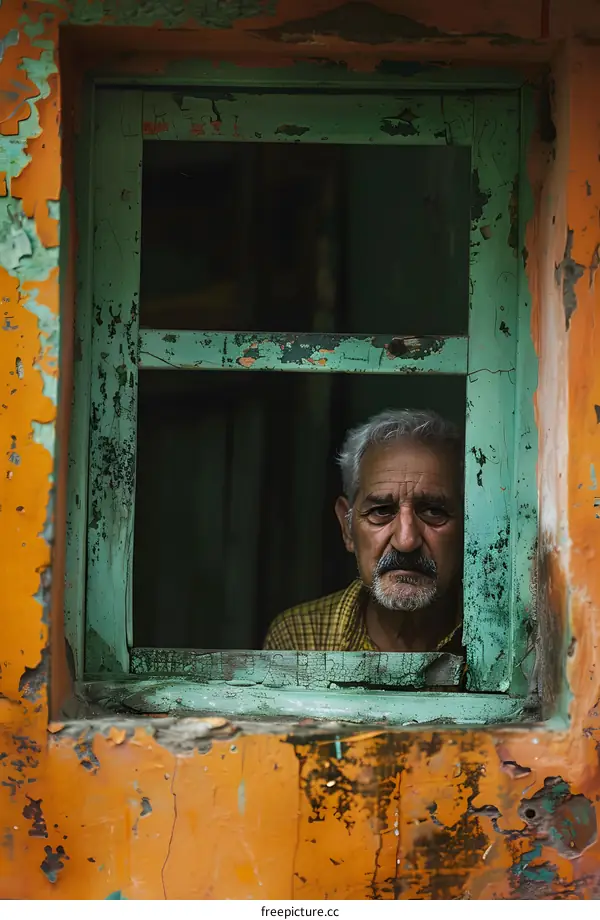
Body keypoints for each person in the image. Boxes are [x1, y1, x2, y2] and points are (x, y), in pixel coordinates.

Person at [264, 409, 464, 653]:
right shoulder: (299, 639)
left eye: (433, 512)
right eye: (381, 511)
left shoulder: (500, 639)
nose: (406, 541)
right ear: (347, 527)